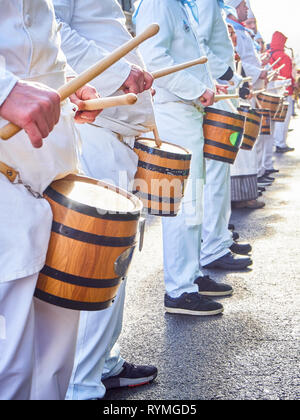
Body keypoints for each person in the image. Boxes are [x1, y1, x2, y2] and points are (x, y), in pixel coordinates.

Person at [54, 0, 157, 400]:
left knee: (115, 262)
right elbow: (53, 29)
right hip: (96, 132)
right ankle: (82, 384)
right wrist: (120, 72)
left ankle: (103, 363)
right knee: (95, 264)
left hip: (114, 135)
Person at [0, 0, 100, 400]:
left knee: (54, 362)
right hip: (6, 162)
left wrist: (65, 83)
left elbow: (36, 31)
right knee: (9, 364)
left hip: (53, 166)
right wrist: (4, 89)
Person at [136, 0, 237, 317]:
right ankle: (179, 291)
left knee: (194, 202)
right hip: (174, 112)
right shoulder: (159, 4)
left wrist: (206, 85)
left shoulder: (178, 6)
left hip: (188, 112)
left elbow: (187, 61)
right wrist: (198, 89)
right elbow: (155, 61)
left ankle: (190, 276)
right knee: (182, 204)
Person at [191, 0, 253, 271]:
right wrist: (230, 76)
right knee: (215, 173)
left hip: (219, 86)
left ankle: (219, 237)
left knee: (220, 173)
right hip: (215, 88)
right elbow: (200, 44)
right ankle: (213, 245)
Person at [225, 0, 267, 209]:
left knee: (245, 152)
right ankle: (240, 196)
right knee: (239, 151)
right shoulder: (230, 29)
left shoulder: (241, 32)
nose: (246, 10)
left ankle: (245, 194)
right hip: (233, 98)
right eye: (242, 6)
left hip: (241, 92)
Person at [269, 31, 295, 153]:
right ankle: (281, 143)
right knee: (283, 119)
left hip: (272, 91)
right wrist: (294, 83)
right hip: (285, 91)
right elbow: (287, 76)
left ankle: (276, 141)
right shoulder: (283, 56)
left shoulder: (268, 54)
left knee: (275, 120)